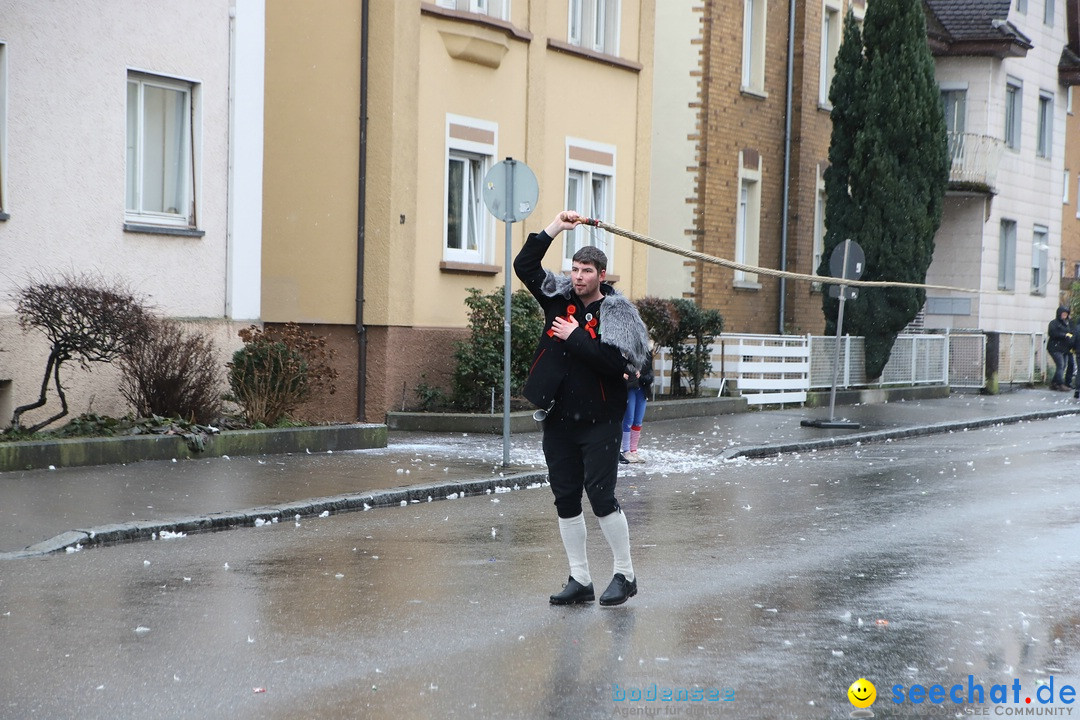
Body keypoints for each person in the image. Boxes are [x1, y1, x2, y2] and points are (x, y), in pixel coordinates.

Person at [514, 209, 651, 607]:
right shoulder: (557, 297)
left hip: (601, 421)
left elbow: (619, 365)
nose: (578, 276)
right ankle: (580, 578)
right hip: (559, 418)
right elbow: (525, 265)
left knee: (601, 495)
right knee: (565, 496)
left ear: (601, 276)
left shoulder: (618, 314)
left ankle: (625, 574)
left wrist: (575, 337)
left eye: (586, 270)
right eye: (575, 268)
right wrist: (555, 226)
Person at [620, 350, 653, 464]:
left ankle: (633, 450)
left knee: (638, 421)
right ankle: (626, 450)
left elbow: (650, 374)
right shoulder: (626, 352)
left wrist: (642, 376)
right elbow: (622, 369)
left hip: (642, 389)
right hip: (630, 388)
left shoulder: (646, 353)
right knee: (629, 419)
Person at [1047, 305, 1073, 391]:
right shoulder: (1053, 323)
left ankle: (1054, 383)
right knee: (1060, 365)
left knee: (1063, 365)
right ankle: (1060, 384)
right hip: (1054, 347)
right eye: (1063, 314)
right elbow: (1052, 333)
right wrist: (1064, 335)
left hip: (1064, 348)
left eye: (1066, 314)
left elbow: (1070, 332)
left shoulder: (1067, 324)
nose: (1065, 316)